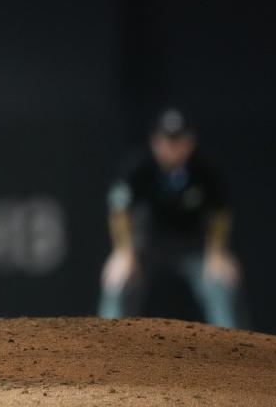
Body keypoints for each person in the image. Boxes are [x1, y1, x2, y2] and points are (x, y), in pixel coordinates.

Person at [98, 108, 244, 328]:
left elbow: (220, 214)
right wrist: (123, 251)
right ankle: (104, 343)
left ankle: (236, 350)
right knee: (119, 278)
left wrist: (217, 252)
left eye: (178, 140)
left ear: (190, 142)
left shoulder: (204, 171)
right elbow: (119, 210)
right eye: (166, 139)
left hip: (193, 244)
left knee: (220, 279)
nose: (171, 147)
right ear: (155, 141)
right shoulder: (140, 167)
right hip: (148, 242)